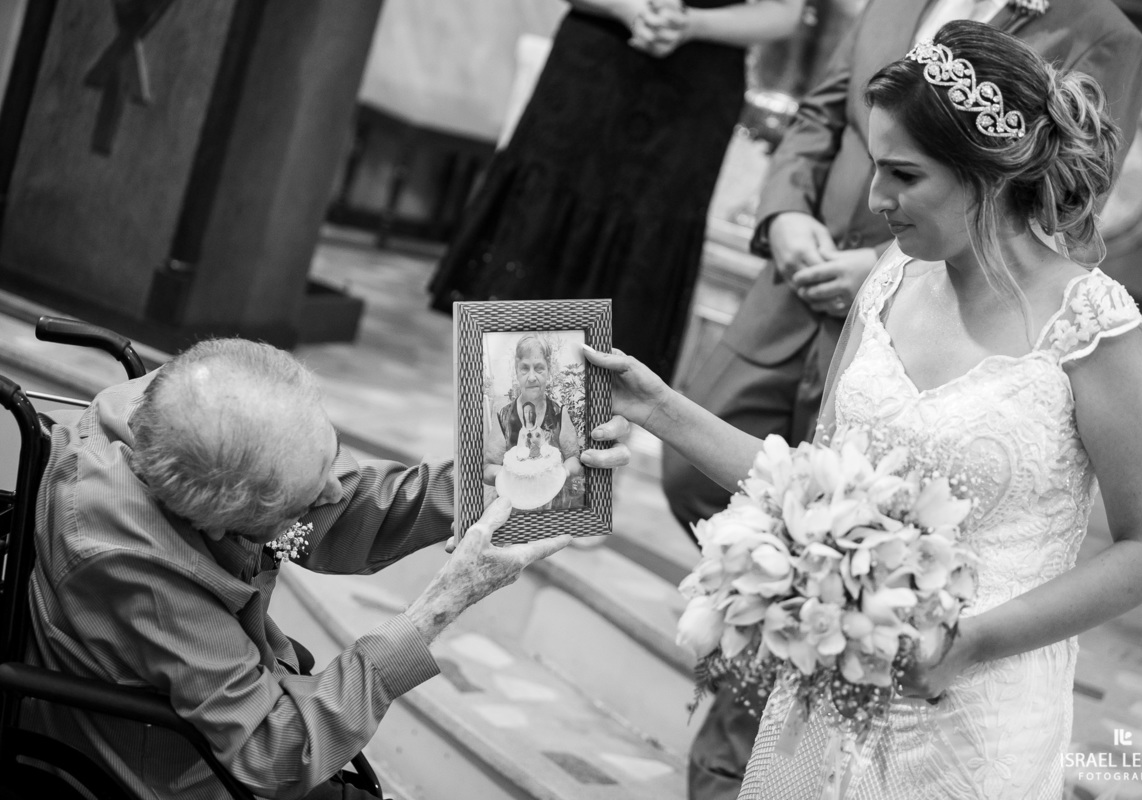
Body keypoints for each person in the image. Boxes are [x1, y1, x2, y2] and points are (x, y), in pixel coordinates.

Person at [586, 19, 1142, 797]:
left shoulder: (1092, 327)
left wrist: (972, 642)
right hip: (832, 695)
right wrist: (656, 404)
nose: (876, 200)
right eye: (875, 167)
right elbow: (811, 486)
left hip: (977, 712)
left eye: (904, 175)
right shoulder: (890, 281)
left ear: (989, 172)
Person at [24, 338, 631, 800]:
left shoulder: (191, 403)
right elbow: (274, 753)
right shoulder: (134, 564)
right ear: (223, 524)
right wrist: (441, 604)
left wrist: (478, 474)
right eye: (308, 495)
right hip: (170, 771)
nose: (332, 489)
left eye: (329, 456)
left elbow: (331, 509)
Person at [428, 0, 805, 381]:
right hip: (597, 59)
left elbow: (785, 11)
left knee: (632, 286)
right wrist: (631, 10)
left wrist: (691, 24)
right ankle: (508, 429)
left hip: (697, 86)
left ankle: (587, 432)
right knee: (533, 264)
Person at [485, 334, 583, 511]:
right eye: (525, 369)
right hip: (514, 511)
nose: (531, 377)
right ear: (516, 370)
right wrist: (513, 473)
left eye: (539, 369)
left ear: (549, 370)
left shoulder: (559, 413)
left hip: (553, 508)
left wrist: (560, 472)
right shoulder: (504, 416)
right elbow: (488, 468)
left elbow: (574, 460)